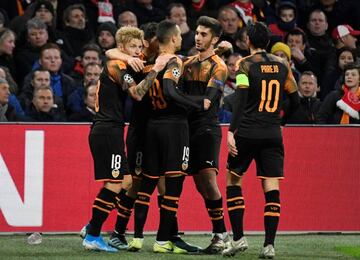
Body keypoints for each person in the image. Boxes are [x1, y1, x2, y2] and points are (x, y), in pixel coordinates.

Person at [82, 26, 170, 252]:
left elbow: (114, 52)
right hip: (107, 130)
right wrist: (156, 70)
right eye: (133, 46)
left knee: (127, 181)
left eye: (140, 47)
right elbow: (137, 93)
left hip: (111, 129)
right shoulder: (117, 65)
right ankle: (92, 236)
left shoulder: (122, 59)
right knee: (114, 183)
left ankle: (92, 225)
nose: (138, 51)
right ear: (122, 47)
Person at [132, 20, 210, 254]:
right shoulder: (174, 61)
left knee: (147, 184)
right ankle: (163, 240)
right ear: (174, 38)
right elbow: (169, 89)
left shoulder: (148, 65)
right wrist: (197, 103)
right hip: (174, 129)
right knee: (174, 186)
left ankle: (137, 238)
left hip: (152, 127)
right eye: (179, 36)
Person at [223, 22, 299, 258]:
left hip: (247, 131)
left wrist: (231, 131)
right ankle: (269, 246)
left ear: (248, 41)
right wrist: (281, 123)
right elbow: (295, 100)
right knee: (271, 186)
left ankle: (238, 239)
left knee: (233, 181)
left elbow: (241, 99)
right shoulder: (282, 64)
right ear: (267, 42)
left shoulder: (244, 64)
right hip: (272, 133)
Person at [181, 16, 228, 254]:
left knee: (209, 181)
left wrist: (175, 97)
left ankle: (221, 234)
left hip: (207, 128)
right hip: (186, 128)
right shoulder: (187, 63)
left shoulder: (219, 66)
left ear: (214, 39)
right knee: (200, 185)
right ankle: (218, 233)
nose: (198, 37)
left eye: (204, 34)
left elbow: (207, 102)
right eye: (197, 33)